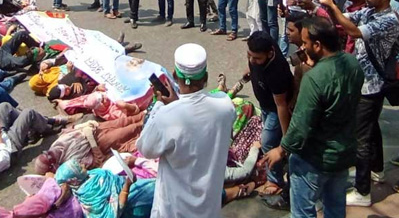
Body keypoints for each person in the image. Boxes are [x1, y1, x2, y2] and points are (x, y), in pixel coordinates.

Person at [261, 18, 364, 218]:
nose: (303, 48)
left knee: (302, 212)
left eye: (306, 43)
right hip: (342, 155)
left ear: (318, 45)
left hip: (314, 159)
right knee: (335, 208)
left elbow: (301, 125)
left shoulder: (315, 78)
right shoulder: (352, 63)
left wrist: (281, 150)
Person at [318, 0, 399, 207]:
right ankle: (377, 170)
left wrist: (332, 7)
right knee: (372, 130)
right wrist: (318, 8)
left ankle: (362, 192)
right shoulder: (371, 11)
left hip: (371, 86)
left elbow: (354, 32)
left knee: (361, 138)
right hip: (364, 83)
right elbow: (345, 20)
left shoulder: (388, 20)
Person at [137, 43, 235, 218]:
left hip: (173, 211)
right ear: (205, 76)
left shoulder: (166, 116)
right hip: (209, 210)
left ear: (174, 76)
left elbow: (146, 149)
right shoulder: (225, 105)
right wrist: (175, 105)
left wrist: (160, 104)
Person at [245, 31, 294, 198]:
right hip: (265, 104)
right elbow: (253, 60)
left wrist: (287, 139)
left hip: (274, 109)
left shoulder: (276, 72)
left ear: (270, 53)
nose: (252, 61)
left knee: (267, 142)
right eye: (249, 56)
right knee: (271, 139)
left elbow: (281, 106)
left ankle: (275, 180)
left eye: (257, 58)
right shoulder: (261, 47)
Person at [53, 160, 155, 218]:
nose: (83, 164)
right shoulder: (90, 195)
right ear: (74, 178)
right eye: (79, 167)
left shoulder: (88, 175)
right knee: (159, 194)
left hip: (132, 186)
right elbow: (111, 214)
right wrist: (126, 186)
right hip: (131, 203)